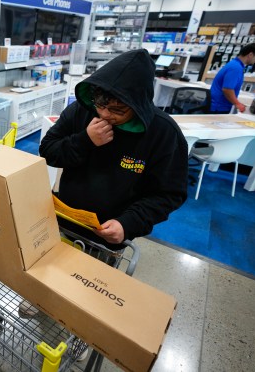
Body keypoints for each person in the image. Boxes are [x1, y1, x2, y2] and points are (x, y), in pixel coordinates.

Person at [39, 48, 189, 251]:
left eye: (117, 110)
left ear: (138, 105)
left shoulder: (164, 133)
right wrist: (85, 140)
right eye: (100, 105)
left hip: (110, 236)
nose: (104, 114)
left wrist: (128, 223)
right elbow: (48, 149)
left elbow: (169, 194)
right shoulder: (83, 109)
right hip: (66, 221)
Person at [209, 43, 255, 113]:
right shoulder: (236, 68)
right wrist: (237, 104)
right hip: (219, 107)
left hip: (219, 105)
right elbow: (227, 89)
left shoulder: (235, 64)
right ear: (250, 55)